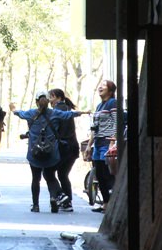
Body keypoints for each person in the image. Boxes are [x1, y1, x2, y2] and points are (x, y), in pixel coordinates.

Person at [9, 91, 85, 213]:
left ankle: (36, 205)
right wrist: (82, 112)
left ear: (36, 102)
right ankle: (56, 197)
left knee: (35, 179)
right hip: (51, 153)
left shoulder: (30, 113)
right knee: (50, 176)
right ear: (48, 102)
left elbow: (19, 113)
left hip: (35, 153)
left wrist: (13, 110)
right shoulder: (55, 113)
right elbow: (68, 115)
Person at [86, 80, 119, 212]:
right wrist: (89, 145)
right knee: (99, 173)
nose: (100, 87)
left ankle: (111, 203)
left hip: (107, 142)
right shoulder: (99, 106)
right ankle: (105, 202)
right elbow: (94, 127)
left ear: (110, 91)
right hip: (98, 142)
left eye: (104, 85)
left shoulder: (113, 103)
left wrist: (113, 141)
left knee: (107, 173)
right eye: (100, 85)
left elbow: (117, 122)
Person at [48, 88, 79, 212]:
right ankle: (67, 202)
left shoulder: (57, 111)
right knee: (63, 175)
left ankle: (61, 196)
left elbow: (55, 130)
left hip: (63, 148)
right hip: (73, 148)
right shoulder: (67, 108)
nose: (50, 100)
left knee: (49, 172)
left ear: (58, 97)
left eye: (51, 97)